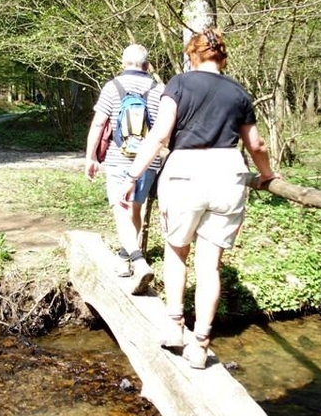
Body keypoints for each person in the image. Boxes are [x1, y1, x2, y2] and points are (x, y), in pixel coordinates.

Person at [120, 28, 280, 369]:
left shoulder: (179, 83)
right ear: (222, 56)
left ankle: (176, 325)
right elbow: (257, 145)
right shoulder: (238, 92)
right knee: (210, 266)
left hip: (185, 172)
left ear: (192, 55)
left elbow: (161, 134)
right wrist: (266, 175)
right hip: (228, 173)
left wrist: (133, 174)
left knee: (177, 251)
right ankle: (200, 344)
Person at [85, 44, 165, 295]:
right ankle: (124, 257)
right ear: (146, 64)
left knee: (121, 211)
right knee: (135, 209)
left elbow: (99, 124)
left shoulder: (112, 87)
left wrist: (90, 157)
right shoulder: (158, 89)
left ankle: (138, 261)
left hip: (119, 159)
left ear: (123, 63)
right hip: (148, 161)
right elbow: (163, 131)